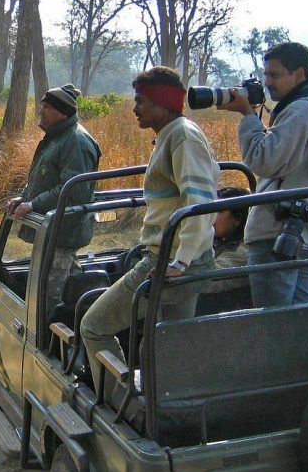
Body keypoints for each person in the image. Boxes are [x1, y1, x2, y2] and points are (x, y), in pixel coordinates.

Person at [80, 66, 218, 392]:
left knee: (93, 327)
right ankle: (164, 409)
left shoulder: (182, 137)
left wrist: (180, 261)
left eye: (141, 101)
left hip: (168, 262)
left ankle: (118, 407)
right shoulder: (172, 135)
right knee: (166, 346)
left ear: (161, 103)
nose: (134, 108)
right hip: (182, 259)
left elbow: (198, 202)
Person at [218, 42, 308, 307]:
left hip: (280, 236)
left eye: (275, 75)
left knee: (273, 323)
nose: (268, 82)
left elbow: (263, 160)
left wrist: (247, 114)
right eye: (266, 75)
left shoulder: (301, 110)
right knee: (298, 321)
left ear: (299, 74)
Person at [6, 83, 101, 315]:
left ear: (62, 112)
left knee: (49, 302)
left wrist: (34, 205)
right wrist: (24, 197)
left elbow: (72, 191)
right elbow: (45, 179)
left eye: (46, 107)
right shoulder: (58, 137)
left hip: (63, 234)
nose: (41, 111)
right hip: (52, 233)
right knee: (67, 292)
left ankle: (49, 347)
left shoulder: (76, 141)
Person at [204, 186, 250, 294]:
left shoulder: (241, 251)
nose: (211, 216)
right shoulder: (222, 240)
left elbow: (206, 283)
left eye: (219, 211)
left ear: (237, 219)